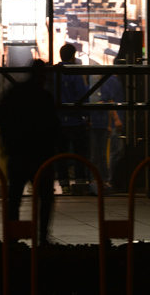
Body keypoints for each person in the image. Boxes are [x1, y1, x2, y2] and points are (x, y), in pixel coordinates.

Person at [0, 60, 60, 243]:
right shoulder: (45, 96)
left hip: (18, 153)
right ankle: (42, 234)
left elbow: (2, 118)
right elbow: (53, 126)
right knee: (45, 197)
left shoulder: (15, 93)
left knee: (15, 197)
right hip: (41, 154)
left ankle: (13, 235)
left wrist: (5, 144)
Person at [55, 43, 89, 194]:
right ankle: (80, 183)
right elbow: (83, 95)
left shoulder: (54, 72)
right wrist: (87, 114)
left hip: (59, 121)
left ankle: (64, 184)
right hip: (76, 120)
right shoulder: (75, 73)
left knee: (60, 154)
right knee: (79, 152)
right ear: (73, 56)